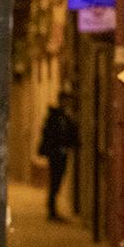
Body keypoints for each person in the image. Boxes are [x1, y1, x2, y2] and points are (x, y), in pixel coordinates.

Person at [37, 89, 80, 222]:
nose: (68, 103)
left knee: (57, 181)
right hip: (56, 154)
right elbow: (51, 134)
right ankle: (52, 210)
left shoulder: (65, 116)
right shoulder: (56, 116)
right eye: (66, 100)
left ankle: (52, 209)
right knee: (55, 181)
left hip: (61, 153)